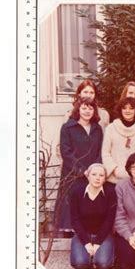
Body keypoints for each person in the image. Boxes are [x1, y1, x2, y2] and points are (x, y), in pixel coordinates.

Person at [58, 97, 103, 233]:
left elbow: (100, 150)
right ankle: (69, 234)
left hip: (91, 174)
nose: (87, 111)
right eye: (84, 108)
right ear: (78, 109)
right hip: (72, 173)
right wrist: (81, 170)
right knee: (71, 204)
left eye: (90, 108)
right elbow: (65, 151)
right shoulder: (68, 127)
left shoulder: (97, 128)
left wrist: (94, 170)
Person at [69, 163, 116, 269]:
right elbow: (75, 220)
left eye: (101, 175)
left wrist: (97, 243)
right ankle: (88, 258)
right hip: (82, 234)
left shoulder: (110, 193)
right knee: (80, 263)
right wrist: (86, 243)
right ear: (88, 175)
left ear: (105, 178)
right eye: (94, 174)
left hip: (104, 235)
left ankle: (98, 256)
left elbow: (109, 220)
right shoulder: (77, 192)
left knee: (103, 263)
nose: (97, 178)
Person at [101, 97, 135, 184]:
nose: (127, 111)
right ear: (120, 110)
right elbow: (105, 152)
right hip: (112, 179)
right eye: (124, 108)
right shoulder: (111, 128)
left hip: (133, 179)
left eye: (131, 108)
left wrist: (133, 171)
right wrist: (114, 169)